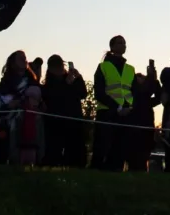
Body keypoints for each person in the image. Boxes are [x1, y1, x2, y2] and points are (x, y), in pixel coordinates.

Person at [91, 35, 133, 171]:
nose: (123, 45)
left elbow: (133, 91)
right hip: (107, 112)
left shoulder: (130, 69)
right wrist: (117, 107)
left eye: (124, 43)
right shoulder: (103, 67)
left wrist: (128, 108)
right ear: (112, 47)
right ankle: (96, 172)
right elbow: (99, 92)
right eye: (120, 43)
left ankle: (116, 172)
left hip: (125, 114)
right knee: (102, 147)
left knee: (120, 149)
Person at [41, 55, 88, 167]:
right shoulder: (48, 86)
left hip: (74, 120)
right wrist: (66, 84)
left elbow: (83, 93)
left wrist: (78, 78)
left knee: (76, 151)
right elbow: (54, 98)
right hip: (56, 122)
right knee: (55, 151)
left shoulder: (71, 79)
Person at [127, 65, 162, 172]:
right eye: (140, 77)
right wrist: (150, 80)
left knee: (144, 157)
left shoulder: (147, 101)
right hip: (133, 130)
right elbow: (140, 92)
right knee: (132, 157)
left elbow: (159, 98)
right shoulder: (132, 95)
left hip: (146, 130)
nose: (143, 79)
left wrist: (154, 81)